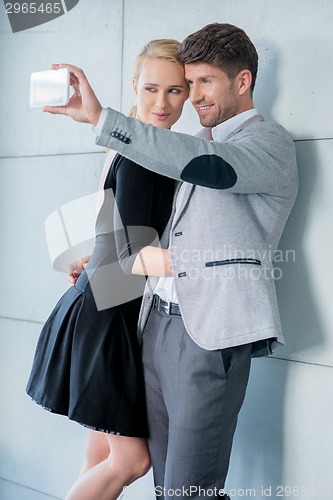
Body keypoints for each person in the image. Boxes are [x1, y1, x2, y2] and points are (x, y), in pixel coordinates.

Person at [42, 23, 298, 500]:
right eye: (189, 82)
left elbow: (209, 168)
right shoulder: (191, 146)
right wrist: (104, 259)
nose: (192, 96)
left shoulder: (266, 144)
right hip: (151, 323)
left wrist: (106, 120)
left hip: (208, 330)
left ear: (242, 82)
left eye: (203, 82)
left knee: (187, 489)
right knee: (158, 479)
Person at [26, 39, 188, 500]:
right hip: (105, 314)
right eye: (152, 88)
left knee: (98, 459)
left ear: (189, 94)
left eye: (175, 91)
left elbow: (114, 229)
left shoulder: (134, 146)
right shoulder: (143, 154)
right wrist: (214, 265)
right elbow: (135, 254)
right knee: (131, 461)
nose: (161, 103)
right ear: (134, 86)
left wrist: (94, 255)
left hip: (103, 304)